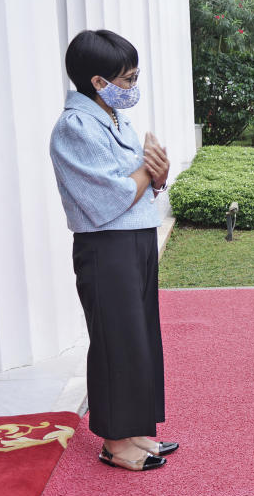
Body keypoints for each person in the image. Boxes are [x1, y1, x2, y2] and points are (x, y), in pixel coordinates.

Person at [50, 30, 177, 472]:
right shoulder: (76, 126)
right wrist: (148, 171)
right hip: (106, 247)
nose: (132, 87)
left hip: (136, 240)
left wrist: (156, 177)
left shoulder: (112, 118)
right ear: (97, 81)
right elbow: (108, 198)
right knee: (114, 342)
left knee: (138, 337)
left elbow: (142, 185)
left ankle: (135, 429)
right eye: (126, 79)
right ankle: (114, 442)